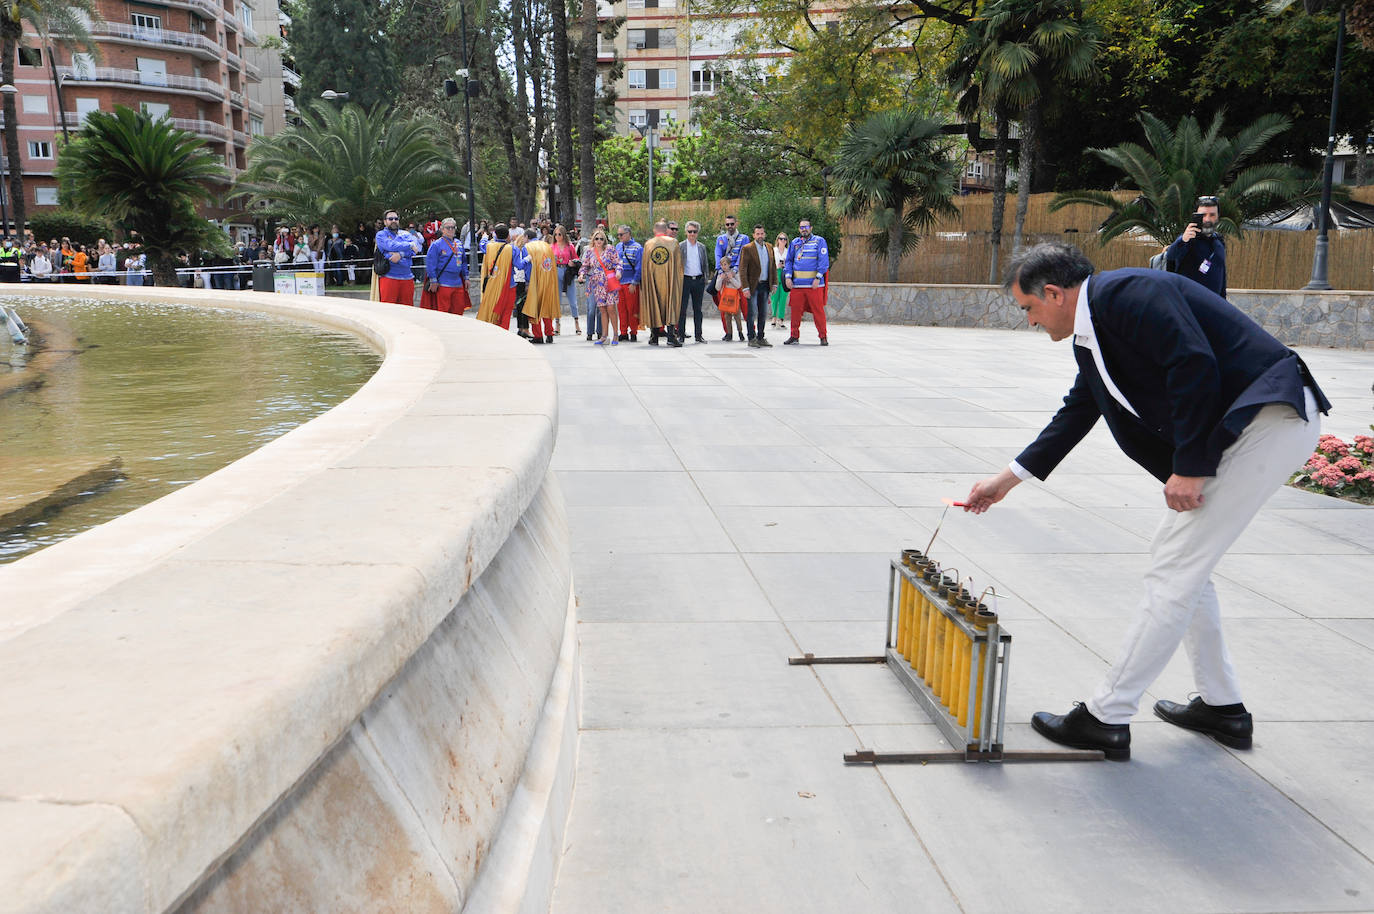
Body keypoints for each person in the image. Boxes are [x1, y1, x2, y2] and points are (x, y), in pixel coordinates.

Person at [964, 242, 1330, 762]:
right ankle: (1223, 707)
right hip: (1249, 428)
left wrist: (1190, 465)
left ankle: (1107, 716)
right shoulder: (1094, 332)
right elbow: (1078, 410)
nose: (1029, 321)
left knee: (1171, 571)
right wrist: (1007, 479)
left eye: (1028, 308)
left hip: (1266, 420)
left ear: (1053, 292)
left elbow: (1192, 362)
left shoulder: (1131, 293)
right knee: (1183, 565)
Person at [1165, 195, 1227, 299]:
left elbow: (1222, 278)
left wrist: (1223, 305)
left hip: (1213, 307)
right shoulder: (1188, 240)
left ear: (1217, 217)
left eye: (1212, 215)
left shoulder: (1219, 242)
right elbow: (1171, 256)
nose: (1207, 219)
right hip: (1188, 306)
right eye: (1203, 215)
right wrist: (1183, 240)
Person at [783, 218, 830, 346]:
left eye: (806, 227)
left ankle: (823, 336)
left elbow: (824, 261)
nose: (804, 229)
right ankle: (794, 336)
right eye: (801, 227)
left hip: (814, 285)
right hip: (797, 285)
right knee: (795, 312)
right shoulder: (794, 242)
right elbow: (789, 261)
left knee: (818, 311)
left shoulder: (819, 241)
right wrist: (788, 277)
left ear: (811, 228)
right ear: (799, 229)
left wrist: (818, 278)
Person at [639, 220, 684, 347]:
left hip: (653, 280)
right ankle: (671, 337)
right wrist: (678, 281)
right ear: (666, 231)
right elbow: (679, 265)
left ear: (654, 231)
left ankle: (654, 337)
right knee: (670, 305)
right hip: (669, 280)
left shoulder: (648, 244)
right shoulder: (673, 243)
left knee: (654, 304)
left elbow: (645, 266)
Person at [477, 223, 527, 329]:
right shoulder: (513, 249)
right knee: (506, 312)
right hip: (508, 285)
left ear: (495, 235)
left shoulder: (489, 246)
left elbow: (482, 245)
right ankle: (504, 332)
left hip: (493, 285)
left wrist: (484, 237)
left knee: (493, 309)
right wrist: (528, 259)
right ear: (508, 235)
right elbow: (519, 265)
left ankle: (494, 331)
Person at [580, 228, 621, 345]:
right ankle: (604, 336)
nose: (599, 240)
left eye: (601, 239)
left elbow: (618, 263)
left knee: (611, 308)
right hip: (598, 284)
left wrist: (618, 271)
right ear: (593, 240)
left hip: (610, 282)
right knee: (602, 309)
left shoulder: (610, 250)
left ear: (605, 240)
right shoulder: (589, 252)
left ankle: (615, 335)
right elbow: (585, 266)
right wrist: (582, 274)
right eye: (596, 238)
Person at [374, 209, 424, 305]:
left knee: (407, 312)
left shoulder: (405, 234)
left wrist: (401, 254)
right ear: (385, 222)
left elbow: (416, 249)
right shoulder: (381, 235)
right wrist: (410, 245)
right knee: (389, 312)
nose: (393, 220)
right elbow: (391, 246)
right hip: (389, 278)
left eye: (396, 218)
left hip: (407, 278)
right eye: (390, 218)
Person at [738, 223, 775, 348]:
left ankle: (760, 337)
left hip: (765, 285)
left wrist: (774, 283)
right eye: (757, 234)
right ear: (753, 235)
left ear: (764, 234)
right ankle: (751, 337)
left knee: (763, 313)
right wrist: (745, 287)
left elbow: (773, 267)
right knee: (752, 313)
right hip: (753, 286)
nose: (760, 236)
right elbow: (742, 269)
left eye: (762, 233)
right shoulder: (747, 248)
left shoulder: (769, 247)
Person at [423, 218, 471, 315]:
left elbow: (464, 262)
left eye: (453, 227)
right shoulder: (436, 245)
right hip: (443, 284)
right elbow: (431, 264)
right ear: (442, 229)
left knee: (458, 312)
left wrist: (466, 277)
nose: (450, 230)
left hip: (458, 283)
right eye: (448, 227)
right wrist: (433, 280)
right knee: (443, 313)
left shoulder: (459, 243)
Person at [523, 227, 560, 343]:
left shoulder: (528, 247)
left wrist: (528, 282)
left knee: (534, 308)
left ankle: (538, 335)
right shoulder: (546, 246)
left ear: (526, 237)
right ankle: (549, 334)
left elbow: (528, 267)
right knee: (546, 307)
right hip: (548, 280)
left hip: (535, 281)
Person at [714, 214, 747, 340]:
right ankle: (728, 332)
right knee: (724, 307)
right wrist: (720, 270)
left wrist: (734, 270)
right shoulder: (721, 239)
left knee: (743, 306)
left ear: (736, 224)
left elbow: (743, 255)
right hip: (724, 272)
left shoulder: (743, 238)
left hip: (737, 273)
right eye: (727, 224)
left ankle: (747, 331)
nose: (730, 226)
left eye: (732, 224)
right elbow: (718, 254)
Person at [678, 220, 711, 344]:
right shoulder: (681, 246)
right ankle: (681, 335)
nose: (692, 234)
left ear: (698, 233)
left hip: (698, 280)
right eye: (690, 231)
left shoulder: (701, 247)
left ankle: (699, 335)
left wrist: (705, 278)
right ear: (686, 232)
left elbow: (705, 264)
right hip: (685, 280)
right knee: (682, 309)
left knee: (698, 309)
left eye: (694, 231)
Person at [551, 225, 582, 337]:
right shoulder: (552, 246)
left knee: (573, 300)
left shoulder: (570, 247)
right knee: (557, 301)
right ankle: (557, 324)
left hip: (567, 273)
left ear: (564, 235)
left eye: (560, 234)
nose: (558, 236)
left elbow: (577, 259)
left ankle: (577, 323)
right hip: (556, 272)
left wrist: (573, 263)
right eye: (556, 234)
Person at [614, 225, 643, 342]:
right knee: (621, 309)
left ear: (628, 234)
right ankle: (623, 332)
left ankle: (634, 332)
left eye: (621, 234)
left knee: (632, 309)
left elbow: (639, 267)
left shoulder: (637, 248)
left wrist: (634, 282)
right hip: (619, 283)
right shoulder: (618, 246)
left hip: (630, 283)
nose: (619, 237)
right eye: (618, 235)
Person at [715, 254, 745, 341]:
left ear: (729, 264)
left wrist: (731, 278)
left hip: (734, 298)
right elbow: (717, 287)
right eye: (722, 265)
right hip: (725, 298)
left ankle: (740, 332)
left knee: (737, 316)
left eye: (725, 264)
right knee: (727, 317)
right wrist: (721, 279)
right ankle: (729, 333)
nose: (723, 267)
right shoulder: (720, 274)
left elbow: (738, 285)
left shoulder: (734, 273)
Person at [770, 232, 789, 329]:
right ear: (777, 240)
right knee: (774, 297)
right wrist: (777, 266)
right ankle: (773, 317)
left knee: (783, 297)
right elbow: (769, 263)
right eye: (781, 238)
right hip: (776, 273)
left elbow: (791, 264)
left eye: (785, 239)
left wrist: (785, 264)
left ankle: (780, 319)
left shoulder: (788, 251)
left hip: (785, 274)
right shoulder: (773, 251)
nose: (783, 240)